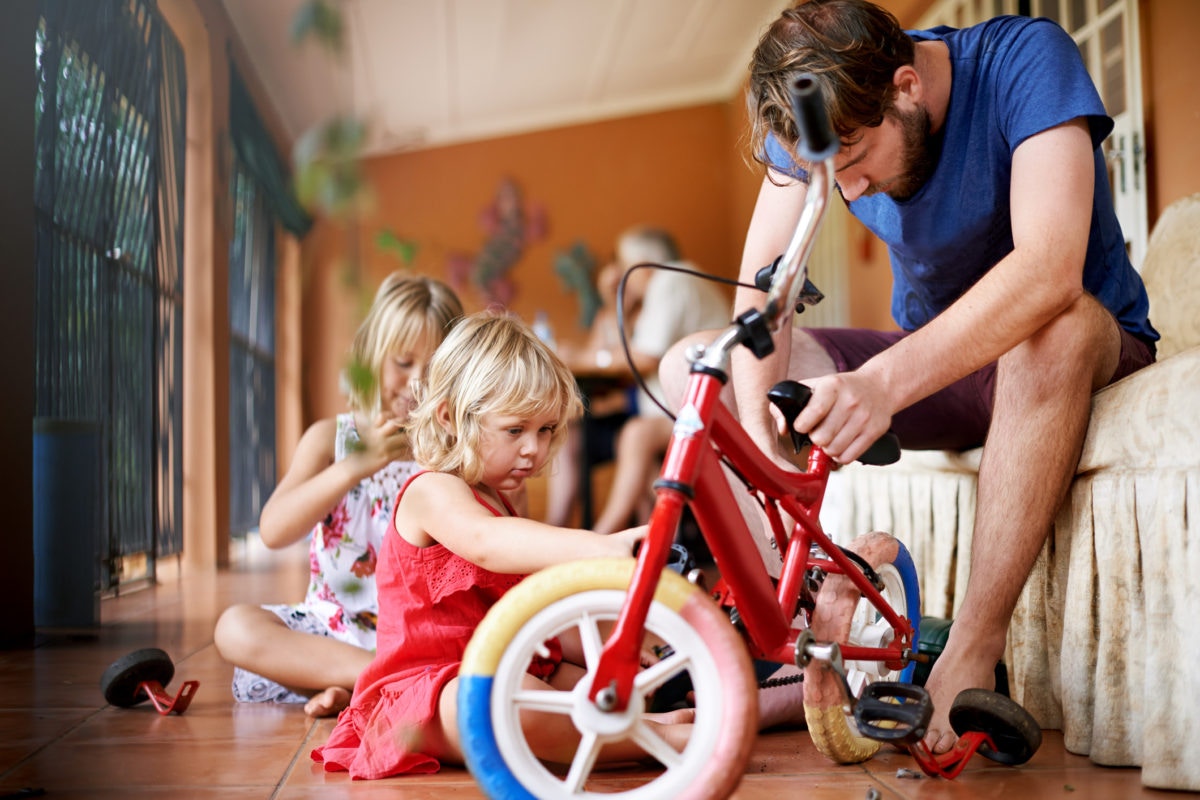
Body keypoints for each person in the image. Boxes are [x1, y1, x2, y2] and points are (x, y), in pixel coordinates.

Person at [661, 0, 1157, 755]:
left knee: (1049, 328)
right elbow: (764, 293)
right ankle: (792, 635)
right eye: (831, 172)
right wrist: (759, 417)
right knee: (703, 365)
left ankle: (971, 651)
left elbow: (1050, 269)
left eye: (856, 158)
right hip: (942, 368)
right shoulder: (823, 129)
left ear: (905, 87)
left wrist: (883, 384)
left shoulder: (1025, 59)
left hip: (1079, 347)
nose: (850, 193)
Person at [310, 311, 696, 779]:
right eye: (515, 430)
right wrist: (600, 546)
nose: (533, 449)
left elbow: (525, 602)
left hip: (508, 661)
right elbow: (484, 543)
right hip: (427, 693)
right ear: (450, 417)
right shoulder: (431, 489)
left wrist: (612, 646)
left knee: (615, 682)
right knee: (487, 701)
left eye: (546, 430)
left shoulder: (502, 494)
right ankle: (650, 737)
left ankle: (633, 720)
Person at [213, 273, 464, 718]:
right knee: (235, 628)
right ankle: (374, 678)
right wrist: (355, 465)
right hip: (330, 633)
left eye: (436, 369)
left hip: (420, 638)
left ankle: (359, 686)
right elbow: (273, 530)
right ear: (371, 357)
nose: (417, 383)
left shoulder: (460, 450)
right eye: (403, 362)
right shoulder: (330, 438)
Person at [555, 226, 730, 535]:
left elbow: (643, 356)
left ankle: (606, 533)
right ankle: (647, 535)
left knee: (635, 434)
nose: (622, 275)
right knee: (628, 434)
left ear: (644, 264)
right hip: (688, 405)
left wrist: (577, 359)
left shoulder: (670, 280)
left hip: (706, 409)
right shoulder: (678, 281)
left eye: (624, 266)